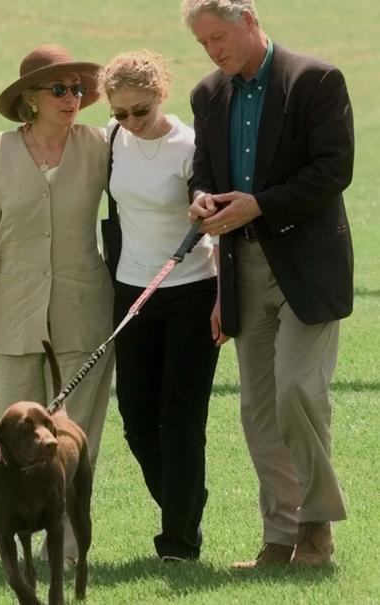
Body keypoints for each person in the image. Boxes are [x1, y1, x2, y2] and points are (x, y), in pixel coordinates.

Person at [181, 0, 354, 567]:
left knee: (297, 389)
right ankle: (280, 539)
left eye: (218, 37)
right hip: (241, 269)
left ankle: (317, 529)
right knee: (258, 408)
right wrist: (202, 197)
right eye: (203, 42)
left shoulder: (316, 79)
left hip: (308, 267)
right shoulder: (207, 94)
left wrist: (259, 206)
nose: (212, 50)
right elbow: (203, 167)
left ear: (249, 20)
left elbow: (333, 169)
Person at [0, 44, 115, 564]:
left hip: (84, 310)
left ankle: (66, 550)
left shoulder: (103, 145)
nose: (74, 98)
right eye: (60, 89)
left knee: (74, 438)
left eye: (78, 89)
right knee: (15, 445)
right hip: (11, 316)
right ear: (31, 98)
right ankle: (16, 544)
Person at [97, 50, 219, 561]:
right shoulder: (109, 139)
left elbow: (206, 191)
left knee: (181, 422)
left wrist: (203, 202)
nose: (130, 122)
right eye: (120, 113)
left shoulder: (189, 143)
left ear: (160, 94)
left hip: (191, 290)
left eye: (139, 111)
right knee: (137, 420)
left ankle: (178, 543)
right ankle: (184, 503)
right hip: (131, 294)